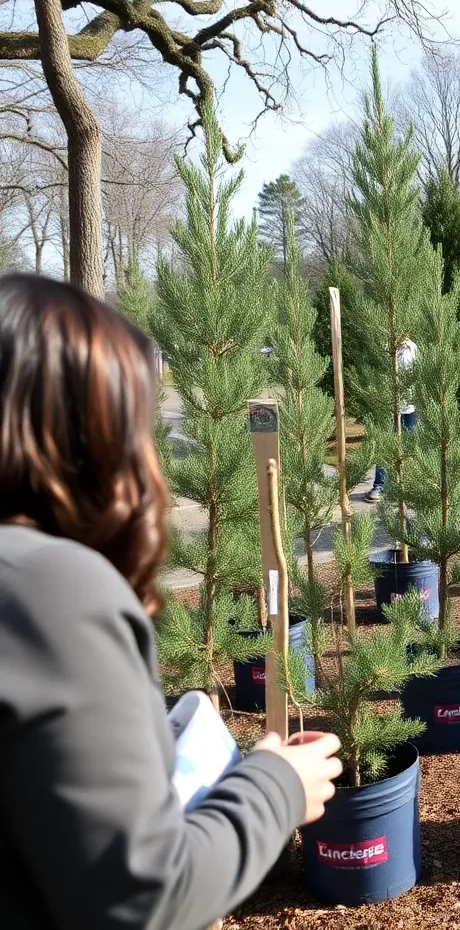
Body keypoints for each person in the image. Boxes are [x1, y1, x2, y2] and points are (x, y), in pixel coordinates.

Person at [0, 273, 343, 930]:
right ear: (87, 435)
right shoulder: (51, 590)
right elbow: (143, 894)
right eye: (137, 421)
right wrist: (276, 784)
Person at [365, 336, 418, 503]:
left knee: (411, 447)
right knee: (385, 445)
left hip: (409, 408)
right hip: (388, 407)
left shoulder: (412, 348)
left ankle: (408, 486)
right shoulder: (385, 346)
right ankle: (380, 486)